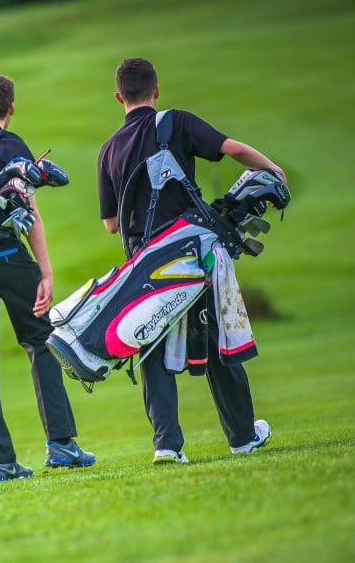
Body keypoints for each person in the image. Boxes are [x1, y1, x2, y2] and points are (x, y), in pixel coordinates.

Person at [97, 57, 287, 464]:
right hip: (194, 253)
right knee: (217, 338)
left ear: (119, 97)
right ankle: (241, 436)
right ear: (157, 89)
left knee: (153, 349)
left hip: (146, 264)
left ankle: (167, 445)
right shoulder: (175, 122)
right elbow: (232, 149)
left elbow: (112, 225)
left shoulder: (109, 149)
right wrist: (273, 170)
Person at [0, 73, 95, 483]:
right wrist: (45, 271)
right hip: (6, 254)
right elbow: (29, 212)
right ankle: (61, 444)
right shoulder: (12, 146)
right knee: (41, 339)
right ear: (11, 109)